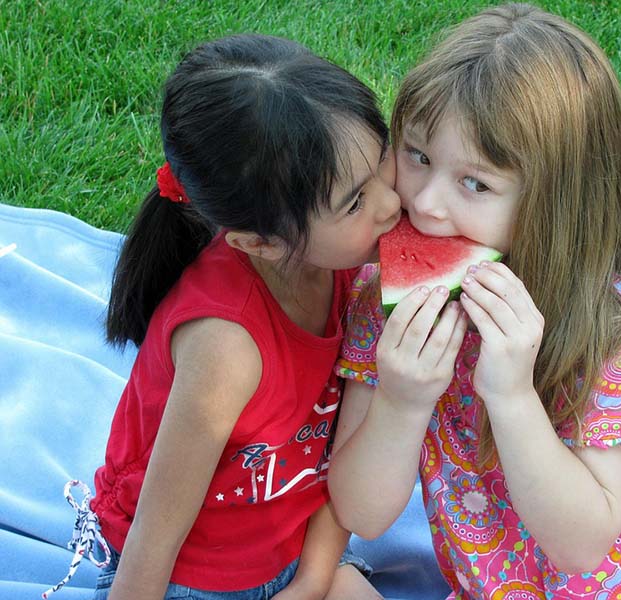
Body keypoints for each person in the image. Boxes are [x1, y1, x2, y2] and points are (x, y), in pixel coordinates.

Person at [328, 4, 621, 599]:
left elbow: (581, 548)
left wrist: (511, 396)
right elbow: (363, 515)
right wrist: (400, 403)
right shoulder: (384, 296)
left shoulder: (615, 326)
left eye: (475, 182)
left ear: (556, 198)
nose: (426, 202)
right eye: (417, 156)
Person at [46, 34, 400, 600]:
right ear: (258, 242)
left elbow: (342, 446)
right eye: (356, 201)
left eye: (384, 162)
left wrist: (311, 581)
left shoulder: (348, 264)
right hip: (198, 579)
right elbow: (155, 538)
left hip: (301, 543)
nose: (391, 205)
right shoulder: (226, 347)